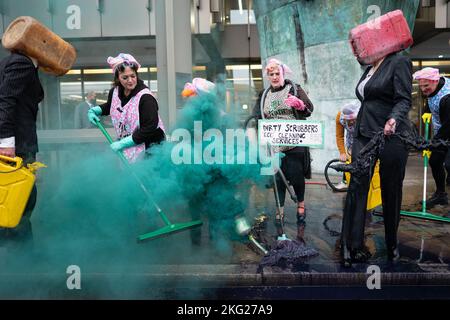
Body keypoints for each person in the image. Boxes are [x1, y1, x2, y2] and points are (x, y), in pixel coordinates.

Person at [341, 51, 412, 267]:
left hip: (392, 133)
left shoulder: (398, 60)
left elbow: (403, 99)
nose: (361, 52)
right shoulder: (369, 69)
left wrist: (393, 119)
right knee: (356, 187)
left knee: (391, 190)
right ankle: (351, 245)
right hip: (364, 132)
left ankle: (391, 244)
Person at [253, 58, 314, 224]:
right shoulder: (264, 94)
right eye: (271, 74)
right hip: (274, 144)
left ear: (282, 73)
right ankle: (280, 208)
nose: (274, 76)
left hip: (294, 141)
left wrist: (300, 105)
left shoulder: (294, 88)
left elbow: (309, 109)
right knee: (278, 178)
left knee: (296, 175)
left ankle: (301, 204)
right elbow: (256, 116)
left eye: (277, 73)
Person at [87, 53, 165, 162]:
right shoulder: (115, 92)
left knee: (145, 177)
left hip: (151, 149)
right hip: (130, 146)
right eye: (125, 77)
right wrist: (96, 110)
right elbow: (112, 106)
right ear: (118, 78)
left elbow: (150, 127)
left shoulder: (146, 98)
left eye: (133, 76)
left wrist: (122, 143)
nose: (130, 80)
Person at [0, 50, 44, 240]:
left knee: (10, 198)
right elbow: (6, 101)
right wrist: (6, 142)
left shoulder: (10, 62)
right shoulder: (22, 63)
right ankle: (22, 257)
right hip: (16, 146)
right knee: (22, 200)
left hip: (16, 143)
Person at [413, 67, 450, 208]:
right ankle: (441, 195)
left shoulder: (447, 98)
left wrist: (432, 143)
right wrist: (428, 111)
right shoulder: (434, 87)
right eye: (421, 86)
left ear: (435, 81)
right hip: (443, 130)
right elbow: (432, 99)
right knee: (435, 161)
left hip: (447, 129)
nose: (423, 89)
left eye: (426, 86)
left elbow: (448, 126)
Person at [334, 102, 360, 190]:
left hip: (363, 139)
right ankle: (345, 182)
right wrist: (342, 152)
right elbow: (339, 136)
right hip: (351, 142)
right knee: (349, 161)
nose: (352, 121)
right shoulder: (339, 117)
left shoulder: (363, 114)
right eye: (349, 120)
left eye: (354, 119)